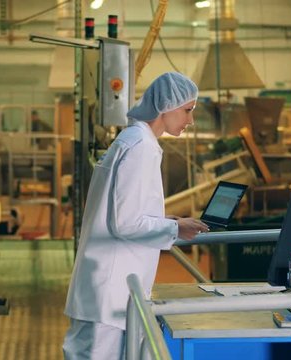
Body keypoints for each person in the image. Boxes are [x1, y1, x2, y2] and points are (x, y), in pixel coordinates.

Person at [62, 72, 209, 360]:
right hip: (110, 292)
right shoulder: (140, 147)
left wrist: (173, 223)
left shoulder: (133, 140)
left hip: (105, 287)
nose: (190, 120)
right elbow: (126, 222)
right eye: (187, 110)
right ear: (167, 106)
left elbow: (126, 211)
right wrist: (174, 229)